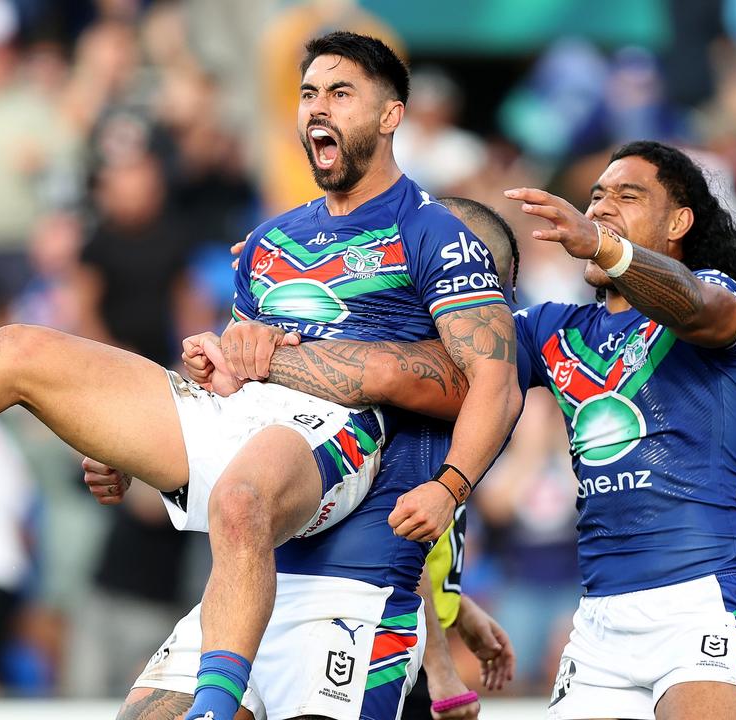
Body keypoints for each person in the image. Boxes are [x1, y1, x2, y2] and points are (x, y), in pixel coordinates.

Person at [0, 31, 521, 720]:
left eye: (341, 93)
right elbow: (238, 378)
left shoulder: (435, 234)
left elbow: (480, 381)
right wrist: (144, 426)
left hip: (345, 521)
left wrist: (449, 489)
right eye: (309, 92)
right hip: (257, 544)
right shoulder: (271, 242)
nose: (317, 107)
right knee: (20, 348)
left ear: (390, 114)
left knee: (240, 497)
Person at [213, 140, 736, 720]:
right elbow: (424, 357)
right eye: (597, 197)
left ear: (679, 222)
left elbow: (695, 305)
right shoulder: (549, 330)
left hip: (704, 599)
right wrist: (292, 281)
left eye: (627, 197)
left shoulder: (716, 298)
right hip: (600, 622)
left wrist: (608, 249)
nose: (602, 208)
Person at [85, 195, 524, 720]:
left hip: (356, 613)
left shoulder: (473, 366)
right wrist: (133, 445)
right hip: (256, 589)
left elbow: (407, 535)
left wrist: (445, 653)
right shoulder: (365, 335)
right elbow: (233, 405)